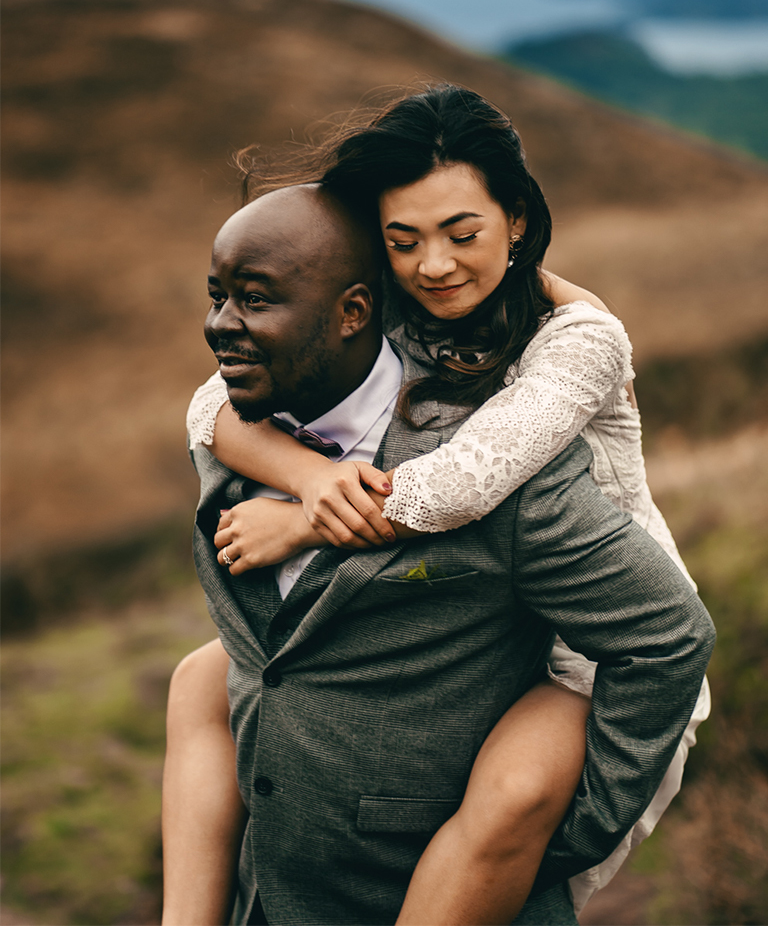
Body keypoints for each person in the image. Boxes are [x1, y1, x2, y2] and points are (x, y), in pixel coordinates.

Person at [167, 154, 714, 925]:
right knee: (200, 677)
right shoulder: (376, 329)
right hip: (304, 856)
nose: (434, 264)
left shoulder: (574, 340)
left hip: (579, 656)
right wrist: (301, 469)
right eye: (405, 240)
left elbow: (466, 482)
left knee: (515, 800)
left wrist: (306, 513)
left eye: (462, 233)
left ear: (516, 222)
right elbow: (208, 406)